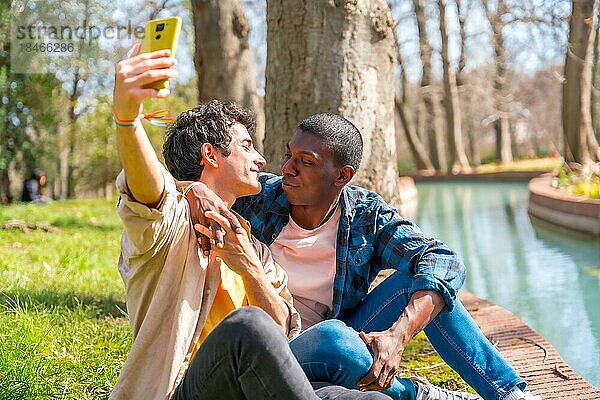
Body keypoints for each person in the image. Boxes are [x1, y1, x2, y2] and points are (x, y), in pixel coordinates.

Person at [186, 113, 541, 400]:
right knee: (338, 341)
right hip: (274, 344)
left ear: (342, 176)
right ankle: (413, 393)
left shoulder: (365, 216)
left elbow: (443, 260)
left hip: (342, 331)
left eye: (306, 162)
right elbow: (163, 192)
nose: (288, 169)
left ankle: (508, 395)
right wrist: (195, 189)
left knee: (422, 286)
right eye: (288, 155)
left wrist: (397, 337)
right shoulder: (260, 196)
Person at [110, 44, 390, 400]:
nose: (261, 158)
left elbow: (283, 339)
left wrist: (248, 267)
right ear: (211, 154)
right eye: (246, 145)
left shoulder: (253, 246)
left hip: (257, 388)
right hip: (184, 391)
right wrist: (127, 120)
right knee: (248, 326)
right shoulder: (169, 225)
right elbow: (148, 188)